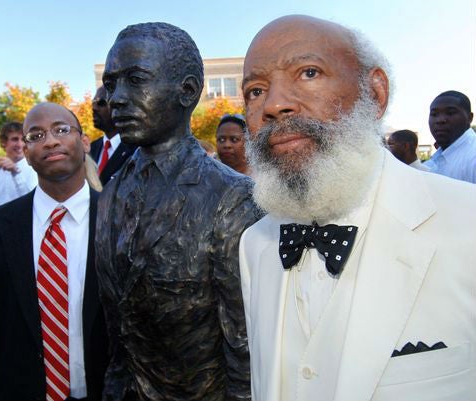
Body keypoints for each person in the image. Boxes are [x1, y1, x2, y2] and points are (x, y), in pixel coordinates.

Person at [239, 15, 476, 401]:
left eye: (308, 72)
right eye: (254, 90)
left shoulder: (469, 222)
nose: (274, 103)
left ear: (375, 93)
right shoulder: (254, 246)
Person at [96, 22, 259, 401]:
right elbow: (115, 326)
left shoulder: (232, 197)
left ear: (187, 91)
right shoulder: (110, 192)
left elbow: (244, 345)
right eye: (111, 83)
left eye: (136, 80)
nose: (116, 98)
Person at [0, 103, 109, 401]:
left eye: (62, 130)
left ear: (84, 141)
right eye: (36, 135)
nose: (50, 140)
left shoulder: (124, 218)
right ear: (24, 152)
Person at [0, 121, 38, 209]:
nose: (20, 144)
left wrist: (16, 173)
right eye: (15, 139)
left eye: (23, 140)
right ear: (4, 142)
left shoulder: (35, 168)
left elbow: (33, 202)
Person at [425, 90, 476, 183]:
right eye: (434, 114)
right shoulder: (430, 164)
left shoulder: (473, 158)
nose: (440, 120)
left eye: (450, 112)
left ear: (470, 117)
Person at [90, 86, 136, 186]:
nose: (94, 108)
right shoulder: (90, 149)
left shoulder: (137, 149)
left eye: (101, 103)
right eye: (93, 102)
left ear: (119, 105)